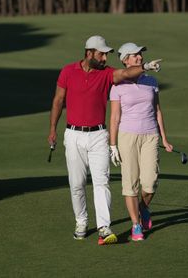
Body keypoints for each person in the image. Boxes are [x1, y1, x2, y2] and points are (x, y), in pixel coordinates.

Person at [48, 35, 162, 245]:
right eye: (101, 54)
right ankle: (81, 221)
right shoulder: (67, 71)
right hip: (73, 134)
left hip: (99, 135)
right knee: (77, 184)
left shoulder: (107, 73)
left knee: (102, 183)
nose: (104, 58)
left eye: (106, 54)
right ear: (89, 53)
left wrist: (145, 66)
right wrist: (52, 129)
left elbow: (126, 72)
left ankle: (104, 227)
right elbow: (58, 100)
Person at [109, 42, 173, 241]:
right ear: (125, 60)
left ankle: (144, 208)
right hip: (127, 136)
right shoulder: (117, 85)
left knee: (150, 181)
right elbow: (114, 118)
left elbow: (157, 111)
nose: (139, 57)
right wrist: (113, 145)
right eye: (134, 55)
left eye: (140, 54)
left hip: (150, 135)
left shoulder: (151, 81)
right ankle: (136, 225)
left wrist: (164, 137)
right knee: (130, 184)